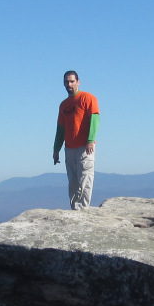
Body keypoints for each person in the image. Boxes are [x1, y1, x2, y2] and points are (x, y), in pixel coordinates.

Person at [53, 70, 99, 210]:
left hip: (84, 147)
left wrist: (90, 140)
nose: (69, 84)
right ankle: (75, 209)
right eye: (67, 82)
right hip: (69, 148)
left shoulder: (88, 98)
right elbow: (60, 129)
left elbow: (95, 119)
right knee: (73, 181)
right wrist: (56, 149)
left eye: (72, 81)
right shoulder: (64, 105)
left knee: (85, 178)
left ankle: (83, 209)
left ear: (78, 82)